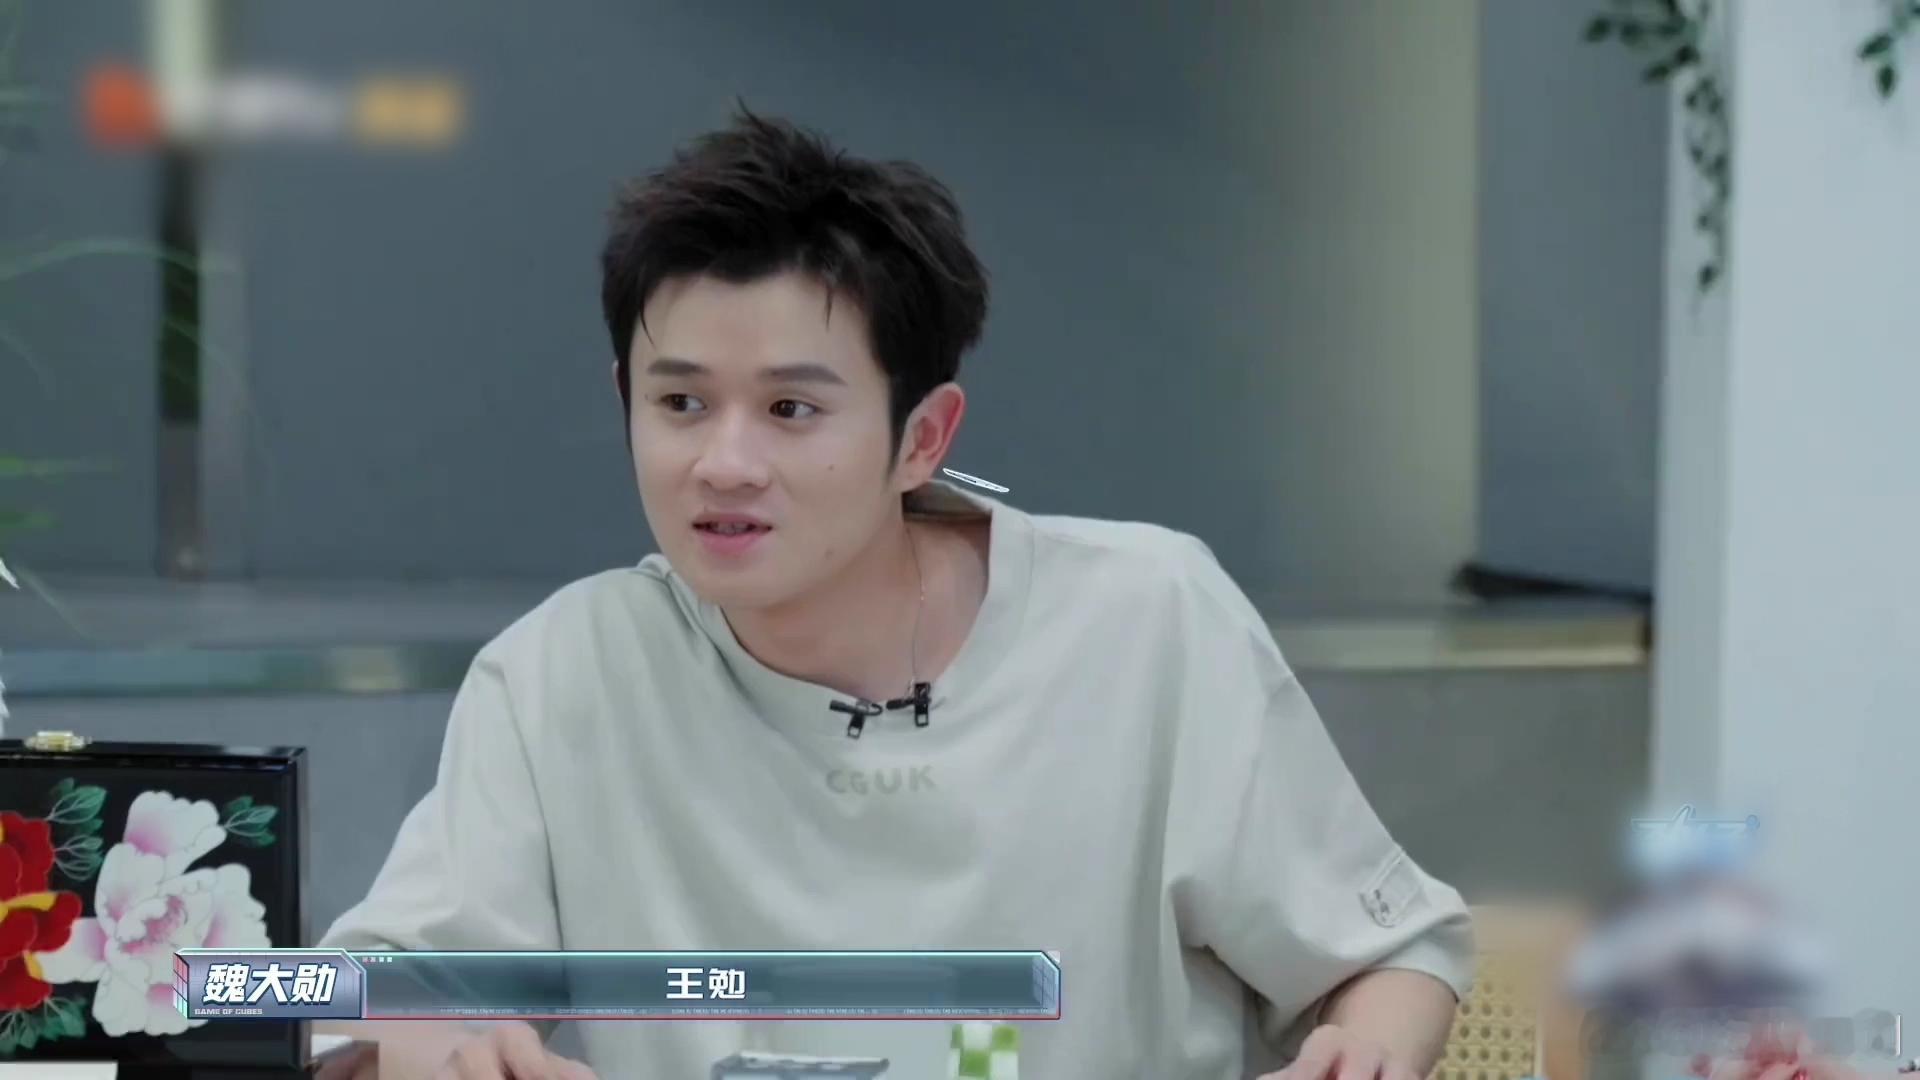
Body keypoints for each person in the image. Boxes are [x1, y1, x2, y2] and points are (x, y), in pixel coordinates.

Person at [317, 109, 1476, 1080]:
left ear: (923, 437)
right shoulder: (567, 672)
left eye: (791, 409)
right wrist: (435, 1050)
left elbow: (1392, 954)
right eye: (680, 404)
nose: (724, 463)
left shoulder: (1146, 619)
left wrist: (1367, 1050)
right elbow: (348, 1003)